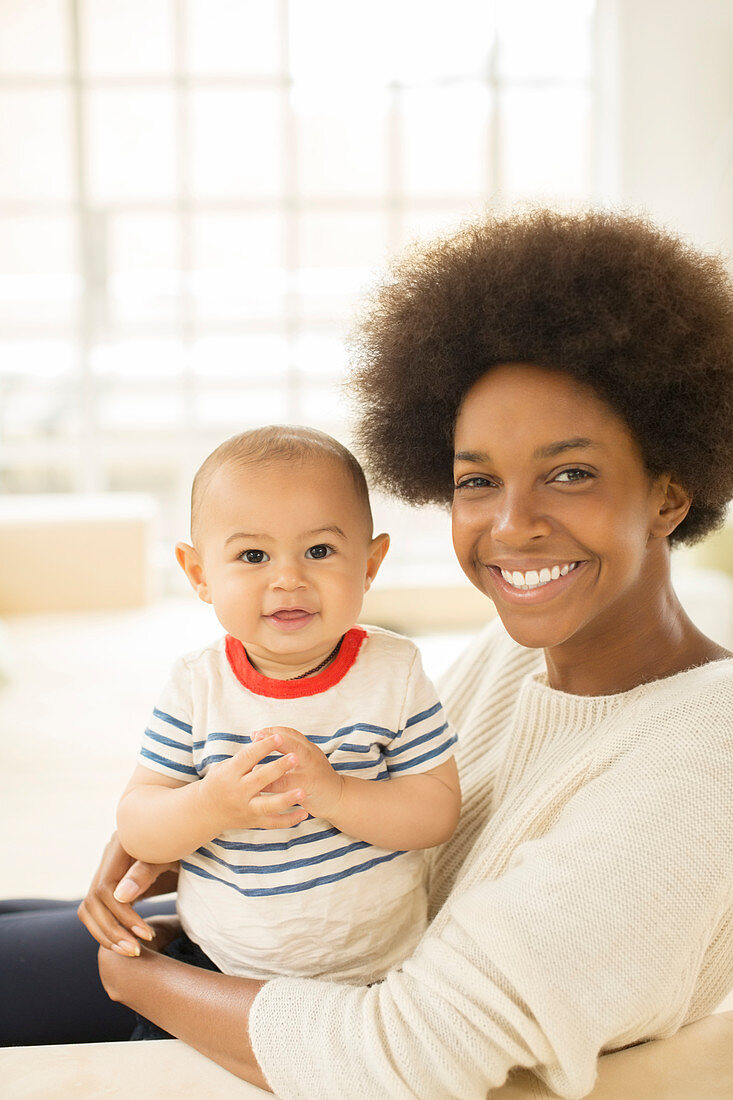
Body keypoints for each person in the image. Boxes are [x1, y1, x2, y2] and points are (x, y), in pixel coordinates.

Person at [2, 209, 732, 1100]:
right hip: (264, 934)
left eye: (569, 472)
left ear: (667, 494)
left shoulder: (704, 757)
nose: (511, 525)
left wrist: (136, 977)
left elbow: (401, 1052)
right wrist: (178, 829)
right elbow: (390, 796)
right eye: (475, 481)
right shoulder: (521, 655)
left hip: (295, 999)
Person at [114, 425, 459, 1015]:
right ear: (198, 574)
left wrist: (337, 793)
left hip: (377, 975)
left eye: (319, 551)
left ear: (371, 562)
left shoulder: (394, 672)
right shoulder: (197, 686)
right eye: (253, 555)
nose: (288, 579)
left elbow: (437, 811)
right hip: (220, 968)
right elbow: (139, 827)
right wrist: (214, 805)